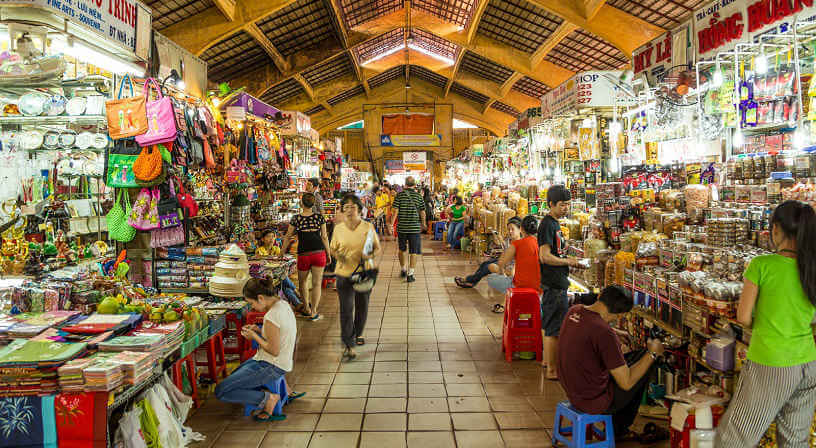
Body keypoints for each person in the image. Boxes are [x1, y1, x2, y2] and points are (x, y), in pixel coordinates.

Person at [716, 200, 816, 448]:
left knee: (734, 437)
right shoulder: (812, 268)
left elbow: (744, 317)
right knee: (795, 440)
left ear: (776, 229)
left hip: (771, 362)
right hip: (808, 363)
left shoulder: (762, 265)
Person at [558, 285, 665, 441]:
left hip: (572, 388)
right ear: (619, 315)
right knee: (644, 365)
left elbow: (589, 329)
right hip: (594, 400)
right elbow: (626, 383)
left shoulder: (575, 310)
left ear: (601, 296)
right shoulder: (603, 332)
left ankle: (619, 428)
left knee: (637, 358)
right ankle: (620, 429)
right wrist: (653, 353)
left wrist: (615, 332)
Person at [215, 278, 303, 422]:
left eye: (252, 303)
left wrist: (254, 336)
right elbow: (278, 335)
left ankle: (268, 399)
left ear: (260, 298)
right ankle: (269, 395)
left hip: (271, 365)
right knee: (236, 374)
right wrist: (258, 330)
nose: (253, 307)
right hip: (278, 362)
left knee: (221, 391)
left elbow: (273, 350)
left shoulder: (271, 316)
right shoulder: (283, 304)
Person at [538, 185, 583, 379]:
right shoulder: (548, 225)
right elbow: (545, 256)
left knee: (551, 324)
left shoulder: (555, 224)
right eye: (562, 205)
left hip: (557, 281)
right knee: (554, 329)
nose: (566, 208)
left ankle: (547, 362)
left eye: (568, 205)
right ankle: (552, 370)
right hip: (554, 282)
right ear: (551, 204)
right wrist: (568, 261)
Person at [330, 193, 382, 360]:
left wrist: (370, 256)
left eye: (353, 207)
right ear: (342, 211)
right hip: (343, 274)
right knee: (346, 309)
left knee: (362, 307)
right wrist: (339, 256)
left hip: (363, 274)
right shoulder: (338, 229)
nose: (350, 210)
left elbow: (377, 248)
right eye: (346, 207)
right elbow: (333, 249)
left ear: (360, 209)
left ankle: (357, 333)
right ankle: (349, 344)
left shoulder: (367, 227)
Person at [281, 193, 331, 322]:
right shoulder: (320, 218)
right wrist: (328, 253)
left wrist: (281, 253)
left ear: (301, 203)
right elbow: (324, 237)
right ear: (314, 204)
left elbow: (287, 236)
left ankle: (306, 309)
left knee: (302, 282)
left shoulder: (296, 218)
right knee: (316, 284)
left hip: (304, 254)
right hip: (319, 253)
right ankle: (314, 311)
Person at [486, 215, 541, 313]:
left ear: (521, 229)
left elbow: (502, 262)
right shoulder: (540, 244)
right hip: (538, 288)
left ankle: (505, 304)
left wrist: (501, 271)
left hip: (520, 286)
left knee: (491, 278)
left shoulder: (517, 244)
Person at [455, 217, 522, 291]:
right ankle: (472, 282)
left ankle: (468, 280)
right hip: (505, 261)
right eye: (509, 229)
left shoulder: (521, 243)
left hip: (511, 266)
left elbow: (515, 260)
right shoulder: (508, 239)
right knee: (485, 263)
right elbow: (504, 252)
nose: (510, 231)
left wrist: (503, 266)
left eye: (513, 229)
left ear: (520, 230)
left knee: (487, 267)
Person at [391, 176, 426, 283]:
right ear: (414, 184)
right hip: (414, 228)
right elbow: (422, 211)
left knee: (402, 249)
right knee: (413, 251)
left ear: (405, 184)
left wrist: (391, 224)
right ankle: (410, 274)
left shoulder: (399, 196)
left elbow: (395, 211)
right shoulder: (418, 196)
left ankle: (403, 269)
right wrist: (424, 223)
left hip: (402, 228)